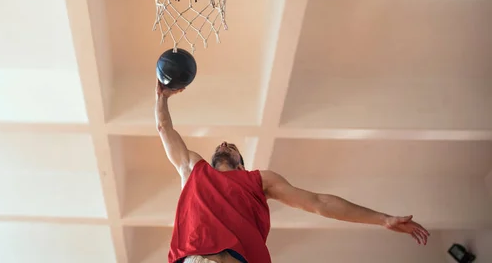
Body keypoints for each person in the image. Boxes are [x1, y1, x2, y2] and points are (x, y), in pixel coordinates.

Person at [155, 81, 430, 263]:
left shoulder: (259, 180)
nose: (224, 144)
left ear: (241, 163)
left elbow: (320, 203)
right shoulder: (193, 170)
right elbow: (164, 129)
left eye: (232, 146)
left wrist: (382, 219)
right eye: (221, 145)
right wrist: (161, 98)